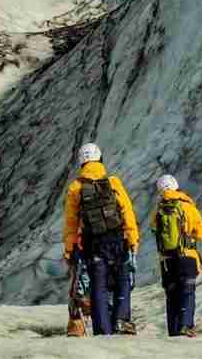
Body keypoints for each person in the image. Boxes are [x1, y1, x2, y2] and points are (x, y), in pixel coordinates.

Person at [63, 142, 139, 336]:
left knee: (99, 286)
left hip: (93, 244)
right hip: (117, 240)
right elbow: (127, 211)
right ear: (100, 159)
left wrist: (70, 248)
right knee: (122, 280)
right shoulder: (113, 182)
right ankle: (121, 321)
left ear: (81, 162)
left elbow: (71, 223)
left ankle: (102, 329)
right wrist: (132, 238)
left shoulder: (75, 188)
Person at [151, 174, 202, 338]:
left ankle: (174, 332)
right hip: (186, 257)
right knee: (187, 291)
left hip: (167, 260)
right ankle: (186, 326)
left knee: (171, 294)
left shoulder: (158, 210)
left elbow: (154, 229)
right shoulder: (187, 206)